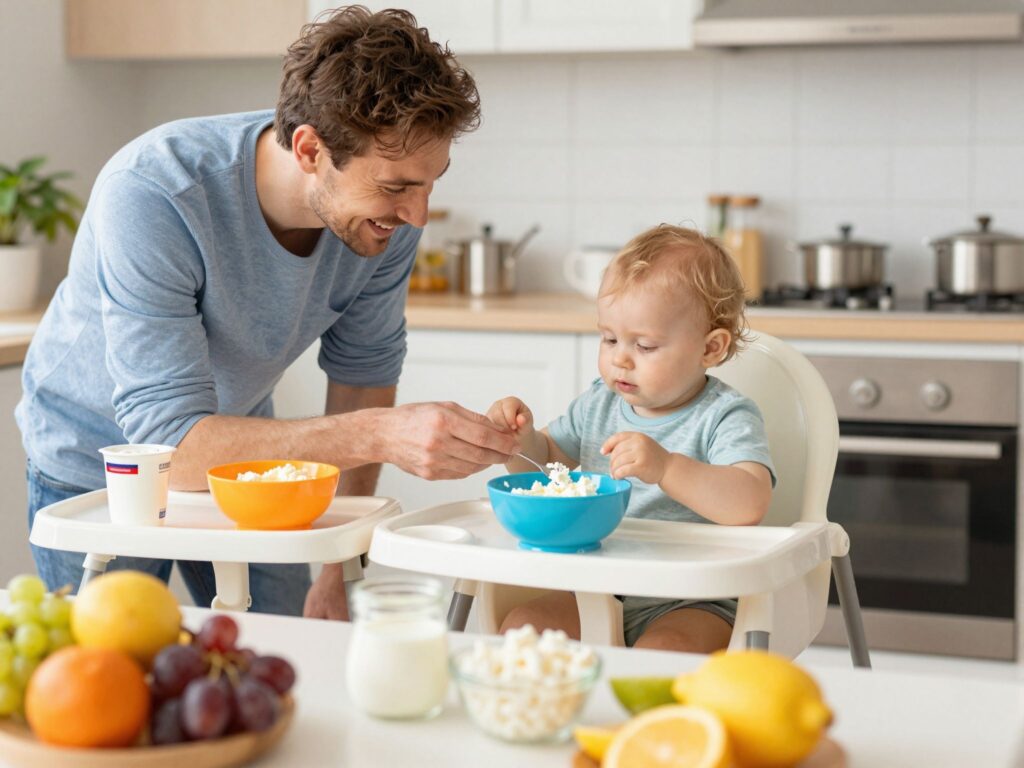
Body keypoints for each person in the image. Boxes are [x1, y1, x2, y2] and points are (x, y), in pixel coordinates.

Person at [16, 6, 518, 620]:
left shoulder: (384, 225)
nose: (418, 214)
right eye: (395, 187)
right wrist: (385, 435)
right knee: (115, 683)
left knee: (285, 652)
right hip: (99, 462)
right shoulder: (155, 191)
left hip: (244, 453)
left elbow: (363, 373)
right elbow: (169, 442)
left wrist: (340, 564)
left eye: (430, 182)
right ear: (310, 149)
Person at [486, 224, 775, 652]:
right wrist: (519, 440)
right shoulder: (598, 404)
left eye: (644, 345)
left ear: (710, 349)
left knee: (660, 658)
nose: (620, 358)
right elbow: (547, 466)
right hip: (596, 584)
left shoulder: (724, 416)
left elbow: (749, 502)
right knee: (522, 629)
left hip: (692, 599)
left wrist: (668, 467)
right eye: (609, 338)